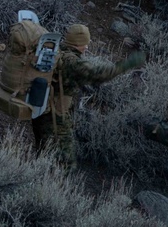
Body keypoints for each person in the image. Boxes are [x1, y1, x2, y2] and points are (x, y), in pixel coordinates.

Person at [31, 24, 146, 168]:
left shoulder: (56, 52)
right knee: (65, 164)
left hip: (42, 111)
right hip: (56, 118)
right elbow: (101, 74)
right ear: (77, 43)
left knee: (43, 153)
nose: (86, 47)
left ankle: (36, 176)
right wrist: (127, 64)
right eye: (85, 43)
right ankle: (49, 185)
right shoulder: (73, 63)